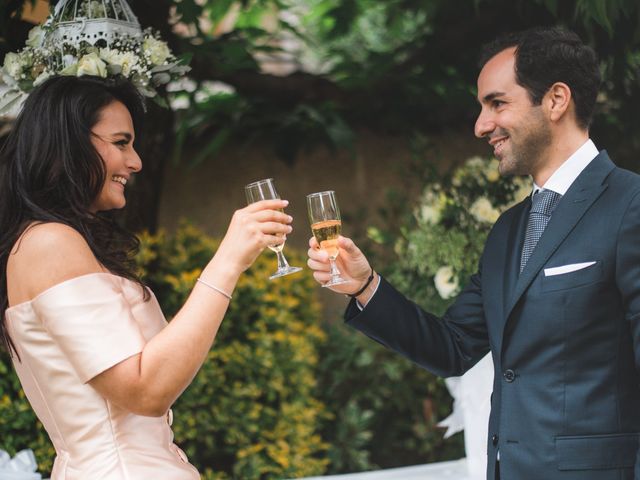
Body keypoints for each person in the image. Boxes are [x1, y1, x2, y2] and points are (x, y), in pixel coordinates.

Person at [307, 26, 640, 480]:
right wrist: (365, 286)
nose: (480, 126)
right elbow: (452, 347)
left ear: (557, 100)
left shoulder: (631, 205)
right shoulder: (507, 230)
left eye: (497, 103)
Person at [0, 75, 294, 479]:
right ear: (69, 141)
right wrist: (228, 261)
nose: (136, 161)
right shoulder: (49, 243)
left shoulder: (55, 242)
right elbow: (145, 389)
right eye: (121, 143)